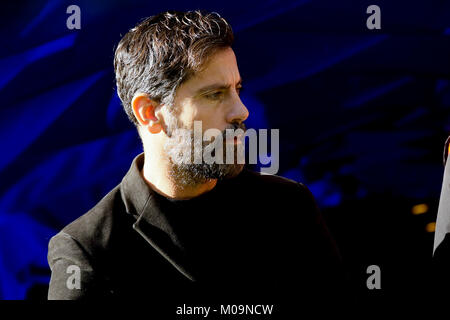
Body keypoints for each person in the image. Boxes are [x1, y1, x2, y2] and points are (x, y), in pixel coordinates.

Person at [47, 10, 345, 309]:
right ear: (150, 113)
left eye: (237, 89)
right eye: (215, 94)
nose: (241, 111)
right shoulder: (87, 249)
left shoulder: (287, 207)